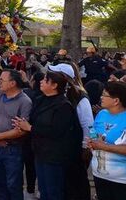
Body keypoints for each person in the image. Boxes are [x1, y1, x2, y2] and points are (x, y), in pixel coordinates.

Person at [13, 70, 83, 200]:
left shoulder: (63, 105)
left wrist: (30, 128)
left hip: (55, 155)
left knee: (53, 190)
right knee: (44, 189)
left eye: (45, 80)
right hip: (40, 152)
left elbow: (57, 131)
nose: (41, 81)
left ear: (54, 85)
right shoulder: (40, 100)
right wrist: (22, 124)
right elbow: (34, 119)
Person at [0, 69, 32, 200]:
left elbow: (22, 129)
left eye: (2, 80)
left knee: (13, 184)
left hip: (13, 149)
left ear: (12, 83)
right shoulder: (0, 94)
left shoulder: (25, 102)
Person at [56, 62, 94, 200]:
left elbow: (88, 124)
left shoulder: (79, 95)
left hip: (76, 147)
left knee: (77, 182)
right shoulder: (62, 94)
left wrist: (87, 146)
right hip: (63, 148)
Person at [88, 81, 126, 200]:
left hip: (121, 180)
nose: (101, 97)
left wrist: (103, 146)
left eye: (105, 95)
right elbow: (94, 134)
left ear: (116, 101)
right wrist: (92, 143)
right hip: (99, 174)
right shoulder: (102, 114)